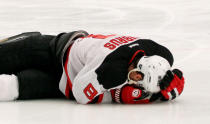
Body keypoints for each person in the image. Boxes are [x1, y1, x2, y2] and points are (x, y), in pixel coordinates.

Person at [0, 31, 185, 104]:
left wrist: (165, 92)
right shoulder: (112, 65)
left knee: (8, 89)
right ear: (137, 73)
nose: (136, 84)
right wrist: (102, 80)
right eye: (138, 79)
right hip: (54, 50)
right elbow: (82, 95)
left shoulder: (161, 55)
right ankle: (23, 39)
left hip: (61, 84)